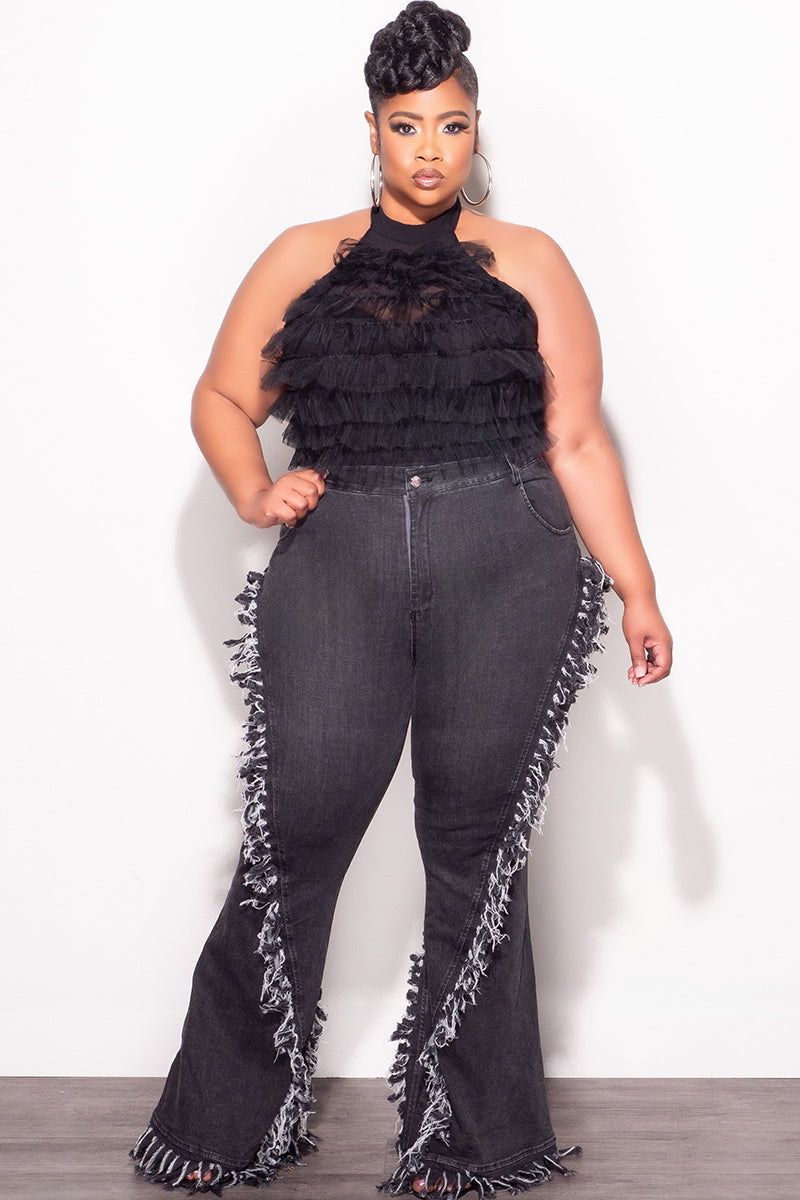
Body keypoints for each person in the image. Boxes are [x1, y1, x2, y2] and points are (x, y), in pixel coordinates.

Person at [128, 2, 673, 1196]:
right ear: (371, 130)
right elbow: (220, 398)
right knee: (298, 828)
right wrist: (253, 489)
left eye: (453, 126)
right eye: (408, 125)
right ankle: (221, 1124)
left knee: (475, 843)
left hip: (507, 552)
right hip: (342, 553)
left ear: (476, 131)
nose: (430, 150)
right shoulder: (302, 256)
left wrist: (636, 588)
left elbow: (576, 439)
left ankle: (468, 1143)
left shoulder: (528, 260)